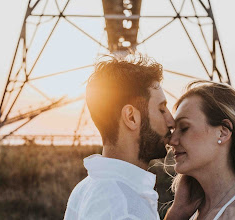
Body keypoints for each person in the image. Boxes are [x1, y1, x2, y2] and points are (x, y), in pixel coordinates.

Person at [64, 55, 179, 219]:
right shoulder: (119, 203)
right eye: (161, 110)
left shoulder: (86, 189)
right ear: (131, 117)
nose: (171, 121)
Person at [165, 80, 235, 220]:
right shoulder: (192, 211)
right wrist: (177, 213)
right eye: (174, 130)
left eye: (184, 128)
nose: (171, 141)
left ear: (223, 132)